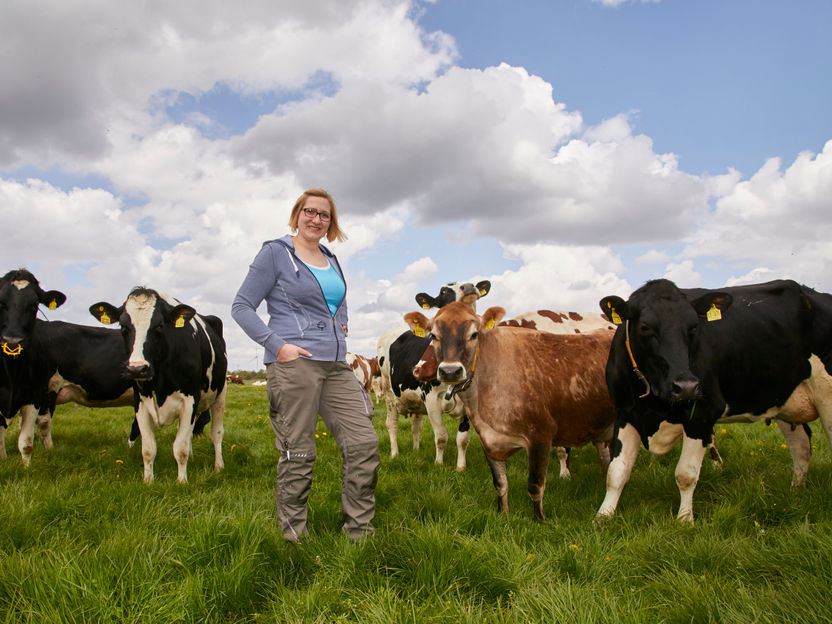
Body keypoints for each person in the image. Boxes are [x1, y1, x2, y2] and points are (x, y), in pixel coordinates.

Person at [231, 188, 379, 542]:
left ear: (331, 222)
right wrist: (277, 346)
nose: (316, 219)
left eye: (324, 215)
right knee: (299, 451)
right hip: (294, 365)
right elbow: (241, 306)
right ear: (297, 214)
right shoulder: (275, 253)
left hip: (336, 365)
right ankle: (294, 537)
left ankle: (359, 532)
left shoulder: (330, 256)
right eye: (309, 212)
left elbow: (338, 301)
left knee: (364, 444)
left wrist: (341, 325)